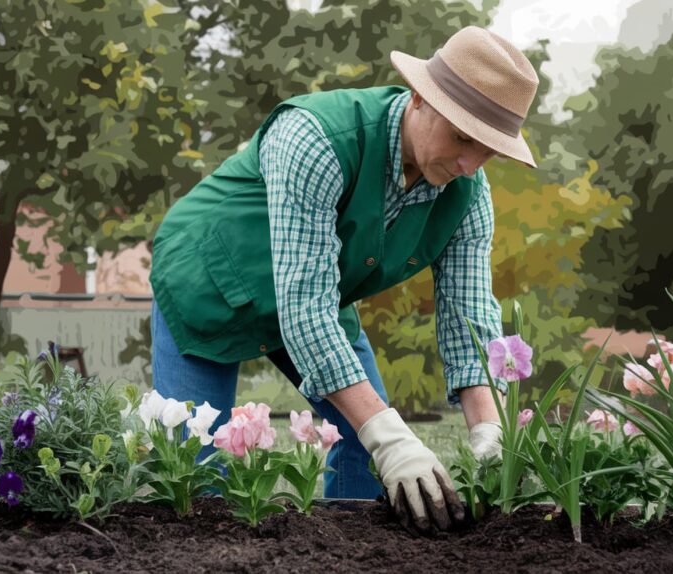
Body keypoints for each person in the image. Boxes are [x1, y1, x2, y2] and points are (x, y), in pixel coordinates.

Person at [148, 25, 540, 532]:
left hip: (314, 295)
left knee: (365, 443)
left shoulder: (467, 195)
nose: (469, 164)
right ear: (419, 97)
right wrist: (390, 435)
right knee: (196, 475)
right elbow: (304, 309)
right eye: (462, 136)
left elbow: (470, 314)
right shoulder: (317, 138)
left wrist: (490, 430)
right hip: (207, 280)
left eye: (488, 149)